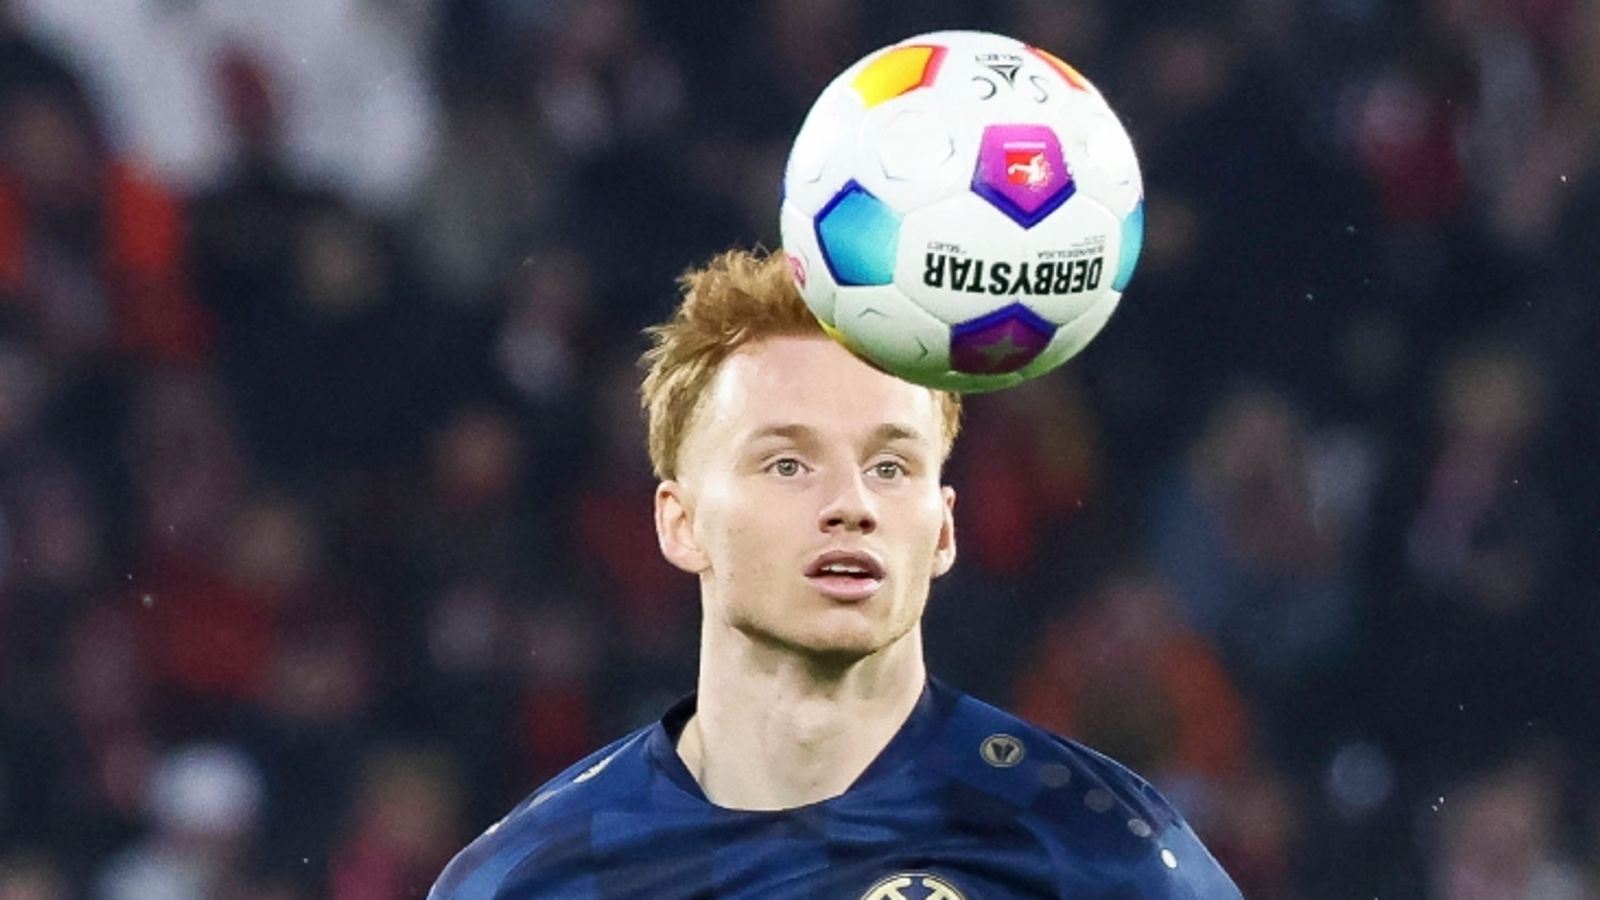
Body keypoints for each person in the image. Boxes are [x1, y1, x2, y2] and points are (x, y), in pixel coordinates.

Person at [429, 249, 1241, 898]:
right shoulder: (532, 877)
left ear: (944, 527)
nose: (851, 504)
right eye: (787, 464)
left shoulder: (1097, 848)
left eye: (890, 467)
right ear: (680, 523)